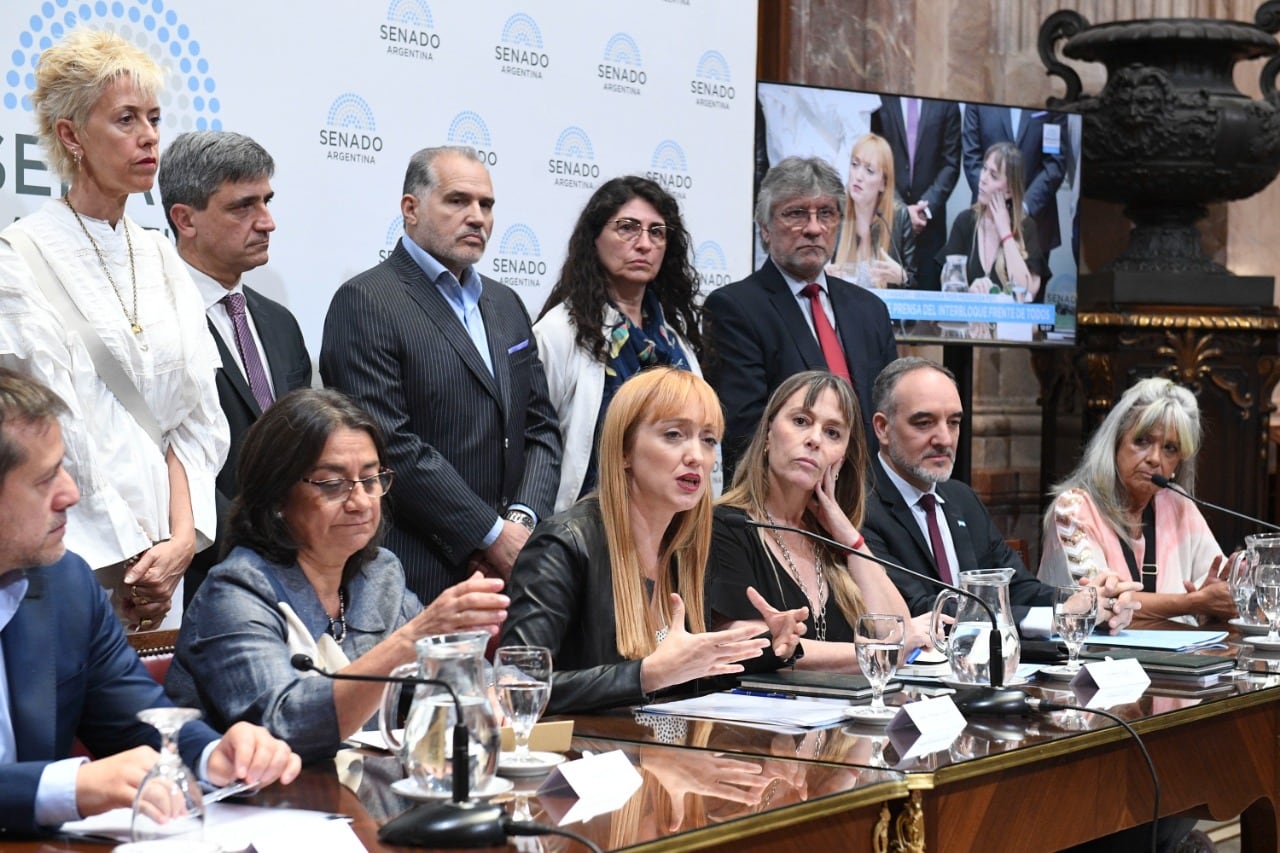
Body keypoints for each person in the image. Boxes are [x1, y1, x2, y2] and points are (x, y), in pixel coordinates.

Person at [0, 367, 299, 833]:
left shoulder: (66, 585)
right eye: (45, 480)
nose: (70, 494)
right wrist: (68, 787)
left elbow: (136, 719)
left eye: (65, 467)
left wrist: (211, 755)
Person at [0, 29, 227, 631]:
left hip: (168, 563)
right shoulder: (17, 259)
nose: (149, 135)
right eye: (126, 119)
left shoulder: (162, 258)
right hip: (69, 555)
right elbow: (47, 430)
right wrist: (129, 557)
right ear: (71, 135)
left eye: (153, 117)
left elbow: (196, 419)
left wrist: (179, 542)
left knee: (151, 718)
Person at [166, 388, 509, 763]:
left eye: (371, 479)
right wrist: (413, 637)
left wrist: (482, 688)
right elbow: (284, 728)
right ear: (277, 496)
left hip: (362, 801)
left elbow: (444, 683)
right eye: (333, 484)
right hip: (253, 808)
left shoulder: (380, 575)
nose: (360, 501)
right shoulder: (235, 592)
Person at [321, 145, 560, 605]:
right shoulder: (366, 301)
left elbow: (541, 428)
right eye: (458, 201)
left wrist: (521, 525)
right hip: (414, 574)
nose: (477, 217)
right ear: (410, 209)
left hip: (514, 574)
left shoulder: (506, 303)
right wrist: (489, 535)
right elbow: (390, 444)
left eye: (486, 205)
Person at [499, 368, 806, 715]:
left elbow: (688, 678)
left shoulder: (685, 554)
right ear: (625, 451)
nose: (696, 456)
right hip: (594, 761)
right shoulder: (564, 546)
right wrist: (646, 676)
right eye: (674, 435)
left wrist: (770, 644)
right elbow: (517, 687)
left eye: (707, 440)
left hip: (674, 762)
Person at [861, 357, 1139, 635]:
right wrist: (1059, 617)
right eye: (924, 423)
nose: (944, 439)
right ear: (883, 428)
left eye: (954, 422)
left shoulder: (961, 499)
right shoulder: (860, 506)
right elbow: (918, 608)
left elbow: (1018, 589)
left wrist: (1091, 603)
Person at [158, 130, 312, 606]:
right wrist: (256, 546)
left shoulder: (280, 322)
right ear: (185, 219)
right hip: (204, 583)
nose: (266, 222)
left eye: (266, 201)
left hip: (298, 574)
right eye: (242, 206)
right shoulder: (153, 321)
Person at [708, 371, 923, 671]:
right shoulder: (726, 526)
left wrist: (850, 539)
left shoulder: (833, 540)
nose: (814, 440)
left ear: (843, 459)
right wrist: (873, 654)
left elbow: (898, 634)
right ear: (768, 432)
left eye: (833, 433)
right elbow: (747, 645)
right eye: (800, 421)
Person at [702, 156, 897, 474]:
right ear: (765, 229)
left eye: (826, 213)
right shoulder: (734, 308)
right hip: (785, 501)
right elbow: (744, 433)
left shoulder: (870, 310)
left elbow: (890, 417)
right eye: (796, 214)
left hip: (869, 501)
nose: (814, 228)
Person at [535, 176, 709, 513]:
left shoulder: (677, 346)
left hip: (668, 535)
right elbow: (534, 448)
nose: (643, 243)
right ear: (595, 238)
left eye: (656, 232)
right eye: (627, 228)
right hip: (585, 535)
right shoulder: (560, 333)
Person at [1039, 377, 1234, 626]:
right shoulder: (1073, 511)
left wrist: (1213, 602)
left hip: (1178, 661)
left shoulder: (1177, 504)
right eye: (1142, 441)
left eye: (1170, 448)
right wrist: (1192, 603)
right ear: (1115, 442)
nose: (1154, 458)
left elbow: (1217, 591)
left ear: (1178, 463)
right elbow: (1101, 605)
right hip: (1092, 658)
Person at [871, 95, 962, 291]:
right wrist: (902, 210)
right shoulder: (882, 97)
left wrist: (924, 209)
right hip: (888, 220)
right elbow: (875, 157)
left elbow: (951, 163)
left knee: (927, 301)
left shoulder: (945, 99)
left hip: (930, 223)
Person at [940, 141, 1046, 302]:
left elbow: (1025, 294)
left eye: (993, 176)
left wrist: (1005, 233)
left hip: (1008, 325)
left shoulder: (1027, 227)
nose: (983, 179)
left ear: (1009, 190)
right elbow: (947, 283)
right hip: (970, 323)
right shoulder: (965, 221)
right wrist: (969, 292)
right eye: (984, 169)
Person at [962, 104, 1068, 260]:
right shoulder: (980, 95)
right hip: (986, 221)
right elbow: (972, 157)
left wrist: (1023, 207)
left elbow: (1055, 163)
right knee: (983, 283)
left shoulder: (1050, 99)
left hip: (1036, 219)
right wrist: (993, 206)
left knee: (1031, 283)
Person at [828, 133, 915, 289]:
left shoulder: (899, 218)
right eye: (855, 164)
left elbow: (915, 289)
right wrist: (825, 277)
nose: (858, 176)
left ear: (883, 183)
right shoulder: (835, 214)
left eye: (869, 170)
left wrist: (903, 278)